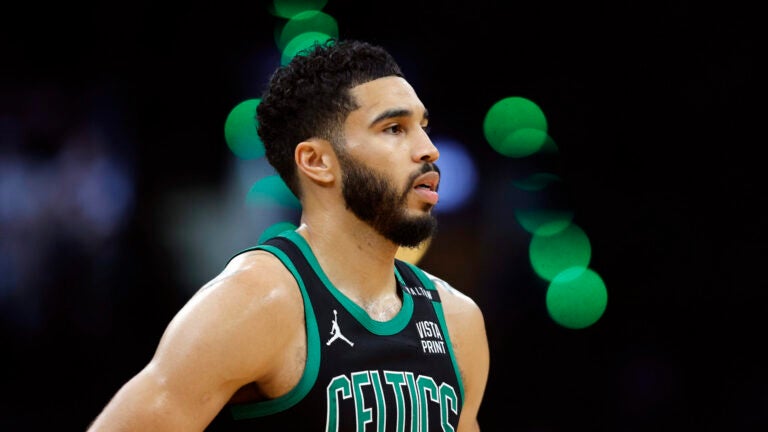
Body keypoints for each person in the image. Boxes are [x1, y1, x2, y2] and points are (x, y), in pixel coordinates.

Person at [87, 38, 490, 431]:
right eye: (394, 128)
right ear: (317, 162)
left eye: (423, 126)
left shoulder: (457, 319)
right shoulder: (257, 301)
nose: (428, 149)